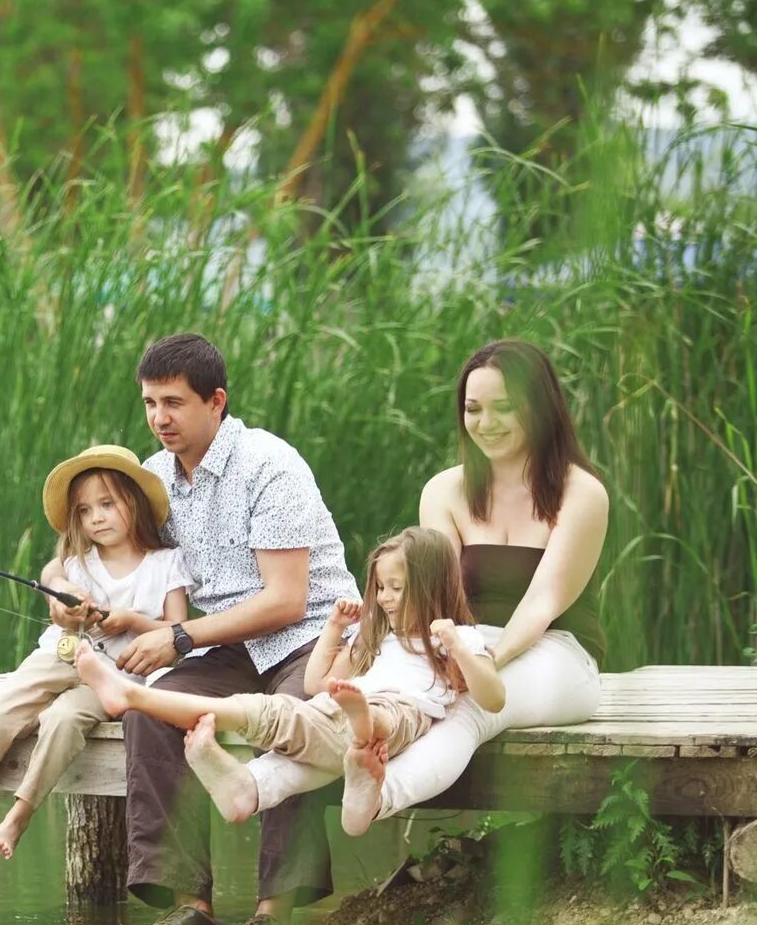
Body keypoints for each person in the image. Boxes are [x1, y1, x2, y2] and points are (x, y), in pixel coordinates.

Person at [45, 333, 360, 925]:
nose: (159, 419)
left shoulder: (270, 465)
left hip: (308, 637)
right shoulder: (152, 477)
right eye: (150, 404)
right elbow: (115, 557)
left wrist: (180, 636)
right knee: (152, 711)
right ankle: (191, 908)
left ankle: (272, 918)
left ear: (216, 402)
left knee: (294, 716)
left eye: (174, 403)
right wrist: (77, 597)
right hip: (227, 646)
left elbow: (286, 600)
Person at [247, 339, 608, 830]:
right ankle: (254, 784)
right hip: (461, 644)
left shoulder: (580, 492)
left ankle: (379, 795)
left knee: (469, 705)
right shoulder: (445, 490)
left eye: (504, 407)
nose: (487, 423)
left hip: (555, 653)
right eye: (474, 409)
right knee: (362, 699)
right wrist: (408, 654)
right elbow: (433, 596)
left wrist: (475, 665)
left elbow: (543, 602)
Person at [74, 528, 505, 837]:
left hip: (398, 714)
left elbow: (493, 697)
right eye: (381, 588)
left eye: (398, 588)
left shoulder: (454, 638)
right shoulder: (375, 637)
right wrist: (335, 628)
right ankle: (250, 787)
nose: (386, 598)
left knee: (312, 715)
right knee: (297, 713)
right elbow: (318, 682)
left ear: (431, 588)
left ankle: (132, 693)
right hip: (341, 710)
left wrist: (458, 645)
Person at [0, 446, 192, 858]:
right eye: (85, 510)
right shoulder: (75, 565)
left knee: (62, 719)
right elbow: (55, 587)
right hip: (59, 655)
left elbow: (176, 631)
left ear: (134, 502)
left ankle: (18, 816)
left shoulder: (165, 563)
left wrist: (130, 621)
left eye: (107, 504)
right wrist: (70, 605)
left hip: (114, 676)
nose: (96, 517)